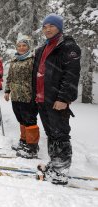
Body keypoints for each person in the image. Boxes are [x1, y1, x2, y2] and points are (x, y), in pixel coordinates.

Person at [33, 13, 81, 185]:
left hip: (57, 100)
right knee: (51, 133)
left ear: (59, 28)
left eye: (51, 26)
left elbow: (71, 75)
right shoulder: (42, 49)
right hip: (42, 99)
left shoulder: (68, 47)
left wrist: (64, 98)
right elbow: (37, 74)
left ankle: (61, 172)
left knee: (60, 134)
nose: (47, 29)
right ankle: (55, 164)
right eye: (45, 26)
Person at [4, 36, 39, 159]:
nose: (21, 48)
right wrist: (7, 91)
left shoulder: (33, 60)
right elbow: (10, 77)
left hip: (28, 95)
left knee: (30, 121)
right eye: (19, 46)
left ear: (28, 47)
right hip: (15, 96)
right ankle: (24, 141)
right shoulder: (14, 60)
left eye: (24, 45)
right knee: (21, 119)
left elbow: (37, 79)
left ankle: (32, 147)